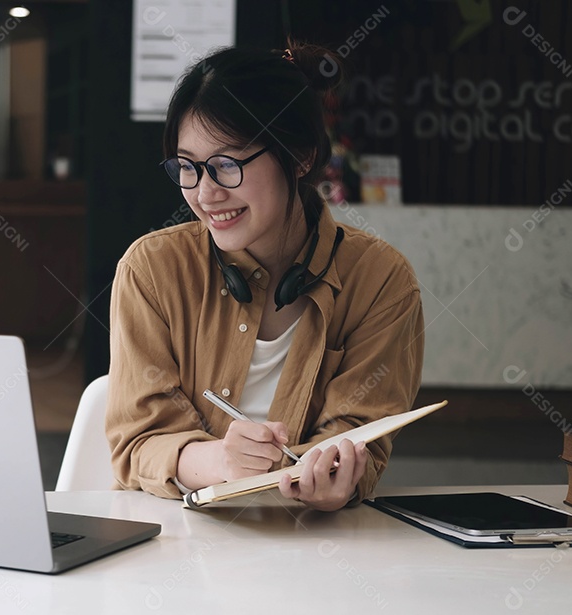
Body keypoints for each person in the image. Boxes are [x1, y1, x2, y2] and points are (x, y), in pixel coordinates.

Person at [105, 42, 425, 512]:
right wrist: (221, 461)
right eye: (188, 167)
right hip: (172, 533)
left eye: (226, 165)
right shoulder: (152, 270)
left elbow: (361, 435)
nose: (205, 193)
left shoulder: (380, 281)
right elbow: (139, 443)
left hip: (313, 537)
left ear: (299, 156)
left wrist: (334, 476)